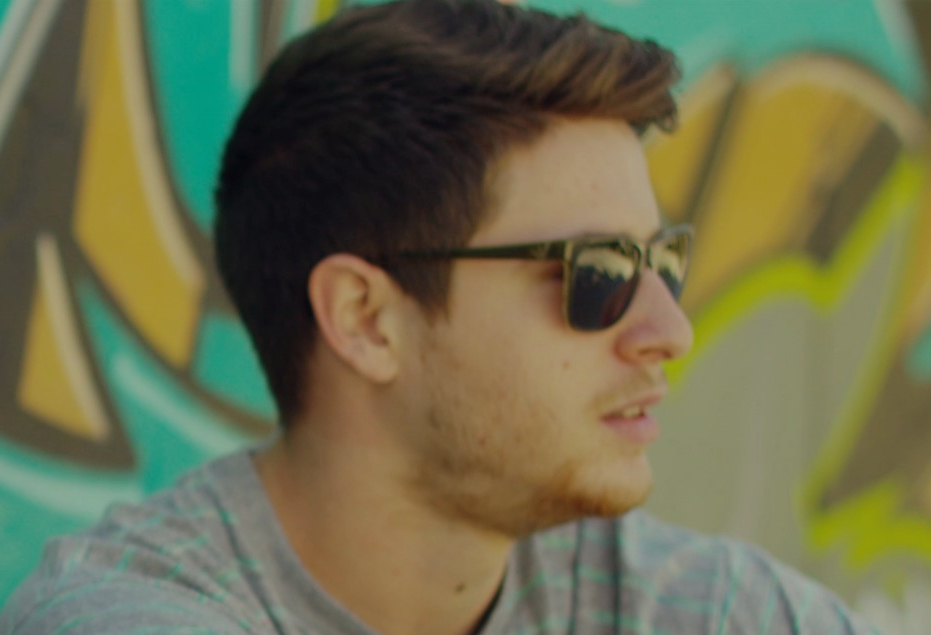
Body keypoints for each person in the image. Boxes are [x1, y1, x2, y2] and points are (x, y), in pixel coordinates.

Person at [2, 0, 878, 633]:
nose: (668, 330)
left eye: (661, 263)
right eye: (599, 272)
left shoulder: (691, 607)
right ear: (365, 319)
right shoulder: (128, 612)